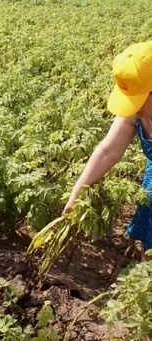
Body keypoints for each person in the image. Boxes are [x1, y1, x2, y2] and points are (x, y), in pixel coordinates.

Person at [64, 40, 152, 258]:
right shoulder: (136, 112)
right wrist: (76, 194)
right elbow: (107, 151)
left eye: (138, 99)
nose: (134, 107)